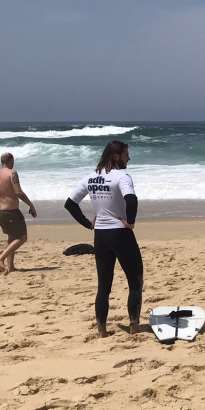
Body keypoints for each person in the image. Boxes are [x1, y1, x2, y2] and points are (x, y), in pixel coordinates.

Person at [64, 140, 143, 337]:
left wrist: (87, 223)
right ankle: (134, 326)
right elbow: (131, 199)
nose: (129, 158)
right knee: (135, 282)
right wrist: (131, 222)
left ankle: (102, 330)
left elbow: (70, 204)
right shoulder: (122, 176)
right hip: (120, 233)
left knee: (103, 286)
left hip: (100, 236)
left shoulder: (90, 178)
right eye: (126, 154)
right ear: (116, 156)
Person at [0, 152, 37, 275]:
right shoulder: (12, 173)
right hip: (11, 211)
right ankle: (1, 258)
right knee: (22, 237)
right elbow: (18, 192)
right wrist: (31, 205)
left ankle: (11, 266)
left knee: (12, 237)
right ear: (11, 160)